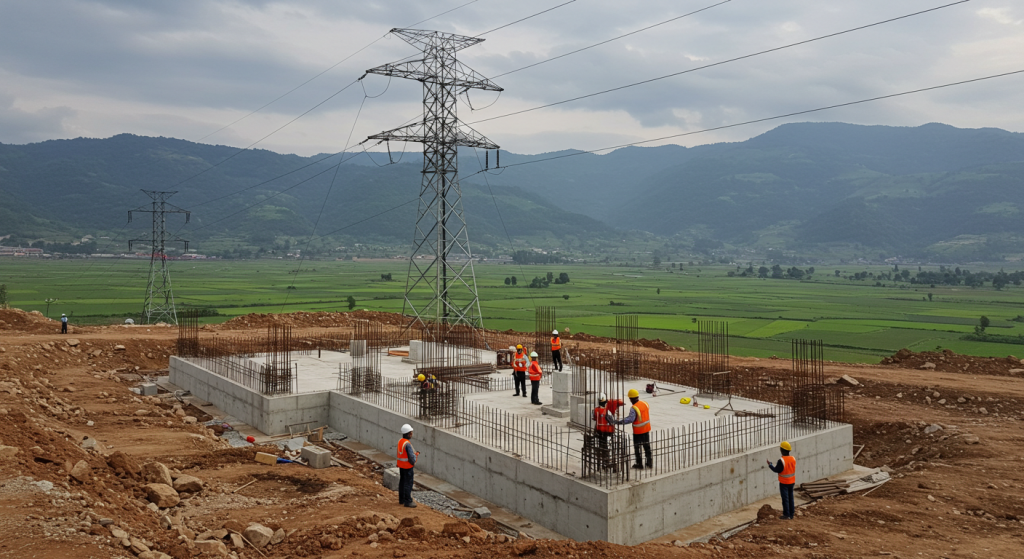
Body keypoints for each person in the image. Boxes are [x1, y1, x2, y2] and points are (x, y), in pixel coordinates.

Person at [614, 388, 652, 469]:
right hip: (646, 429)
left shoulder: (634, 408)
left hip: (638, 431)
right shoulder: (645, 403)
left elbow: (630, 419)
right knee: (647, 446)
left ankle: (639, 464)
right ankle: (649, 463)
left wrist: (618, 422)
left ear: (631, 398)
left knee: (637, 447)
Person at [767, 441, 796, 519]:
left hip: (784, 482)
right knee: (791, 498)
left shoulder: (781, 461)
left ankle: (786, 514)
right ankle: (791, 514)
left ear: (781, 450)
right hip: (792, 481)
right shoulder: (793, 458)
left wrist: (770, 465)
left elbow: (777, 470)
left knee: (785, 499)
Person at [397, 424, 419, 507]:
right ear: (409, 433)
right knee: (408, 483)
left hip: (401, 466)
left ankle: (401, 499)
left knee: (402, 482)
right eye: (411, 432)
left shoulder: (400, 441)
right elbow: (410, 457)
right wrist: (414, 461)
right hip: (407, 467)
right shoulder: (407, 444)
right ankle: (408, 501)